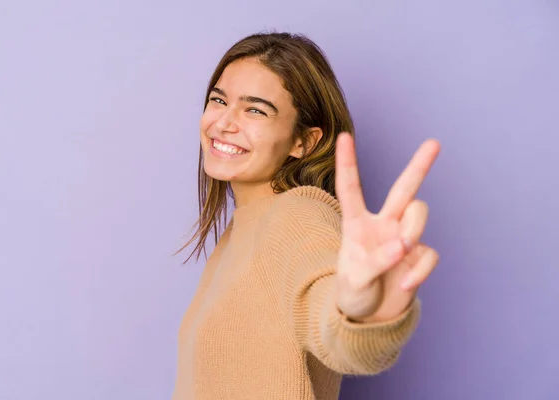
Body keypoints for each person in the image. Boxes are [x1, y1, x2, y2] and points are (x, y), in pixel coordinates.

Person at [172, 31, 440, 400]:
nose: (224, 122)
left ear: (304, 142)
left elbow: (333, 331)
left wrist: (364, 314)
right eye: (219, 100)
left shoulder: (297, 216)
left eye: (255, 110)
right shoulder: (243, 227)